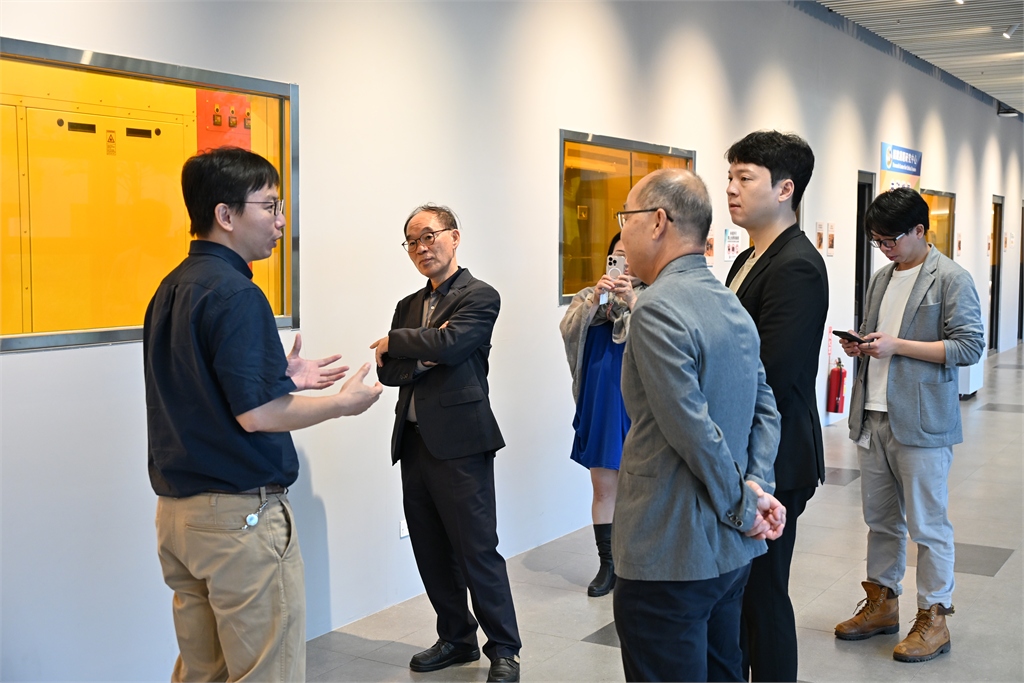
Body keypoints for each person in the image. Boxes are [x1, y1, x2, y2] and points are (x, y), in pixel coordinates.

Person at [144, 147, 383, 681]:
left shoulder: (171, 287)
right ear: (225, 215)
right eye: (270, 206)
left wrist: (281, 378)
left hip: (178, 519)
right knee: (265, 672)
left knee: (203, 672)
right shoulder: (237, 293)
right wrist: (340, 405)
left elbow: (203, 390)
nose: (280, 221)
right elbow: (257, 416)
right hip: (237, 522)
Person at [612, 167, 786, 682]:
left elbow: (693, 430)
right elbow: (766, 408)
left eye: (626, 217)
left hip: (669, 551)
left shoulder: (656, 309)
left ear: (657, 221)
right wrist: (757, 487)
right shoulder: (729, 302)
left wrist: (746, 507)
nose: (622, 232)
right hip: (729, 554)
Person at [370, 204, 521, 683]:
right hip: (413, 443)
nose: (421, 247)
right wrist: (421, 353)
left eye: (429, 236)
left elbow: (453, 345)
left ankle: (505, 649)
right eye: (412, 241)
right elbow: (389, 371)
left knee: (477, 549)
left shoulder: (480, 295)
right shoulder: (407, 305)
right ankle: (457, 638)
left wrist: (398, 341)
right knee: (430, 549)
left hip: (461, 443)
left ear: (454, 237)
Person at [834, 187, 983, 663]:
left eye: (890, 239)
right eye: (877, 241)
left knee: (928, 525)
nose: (884, 248)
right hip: (873, 415)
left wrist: (898, 345)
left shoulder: (951, 278)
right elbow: (878, 337)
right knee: (880, 521)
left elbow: (968, 347)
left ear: (920, 230)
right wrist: (860, 346)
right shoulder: (882, 278)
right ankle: (882, 603)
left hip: (922, 421)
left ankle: (934, 617)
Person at [724, 130, 828, 682]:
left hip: (777, 455)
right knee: (742, 595)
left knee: (764, 594)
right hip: (747, 449)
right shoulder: (748, 256)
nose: (731, 189)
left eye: (745, 178)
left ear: (785, 189)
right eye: (730, 177)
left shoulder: (797, 265)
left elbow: (772, 372)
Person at [558, 232, 643, 597]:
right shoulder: (588, 297)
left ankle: (636, 563)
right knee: (604, 487)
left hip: (639, 403)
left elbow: (664, 337)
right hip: (602, 400)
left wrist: (633, 301)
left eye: (631, 254)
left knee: (641, 488)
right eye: (618, 255)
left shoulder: (654, 296)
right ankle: (608, 564)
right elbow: (569, 331)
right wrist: (596, 300)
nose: (625, 262)